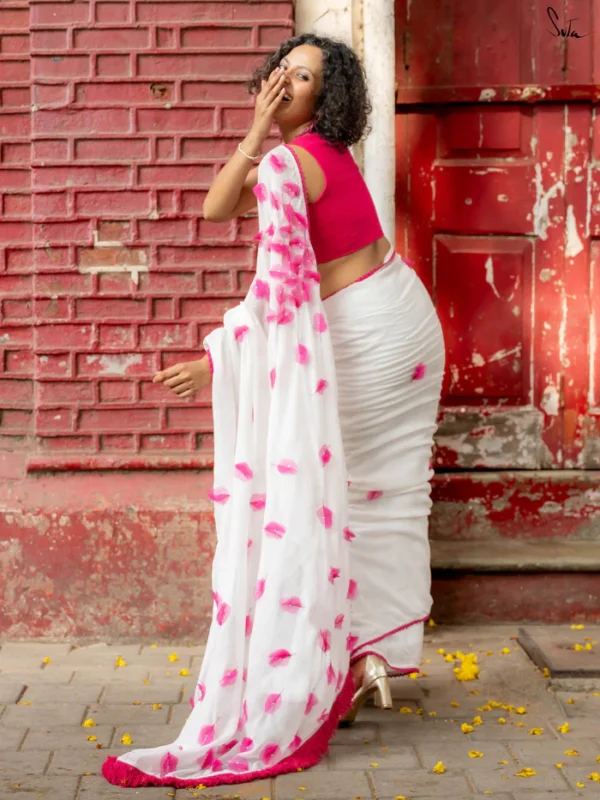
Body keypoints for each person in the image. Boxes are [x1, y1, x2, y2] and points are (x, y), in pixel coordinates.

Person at [102, 33, 444, 790]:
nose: (288, 84)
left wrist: (217, 359)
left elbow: (281, 298)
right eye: (282, 72)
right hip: (405, 319)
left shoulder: (293, 164)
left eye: (307, 78)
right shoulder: (311, 154)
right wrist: (256, 134)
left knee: (333, 497)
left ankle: (326, 671)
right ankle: (368, 658)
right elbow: (218, 203)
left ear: (327, 98)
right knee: (378, 495)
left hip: (367, 330)